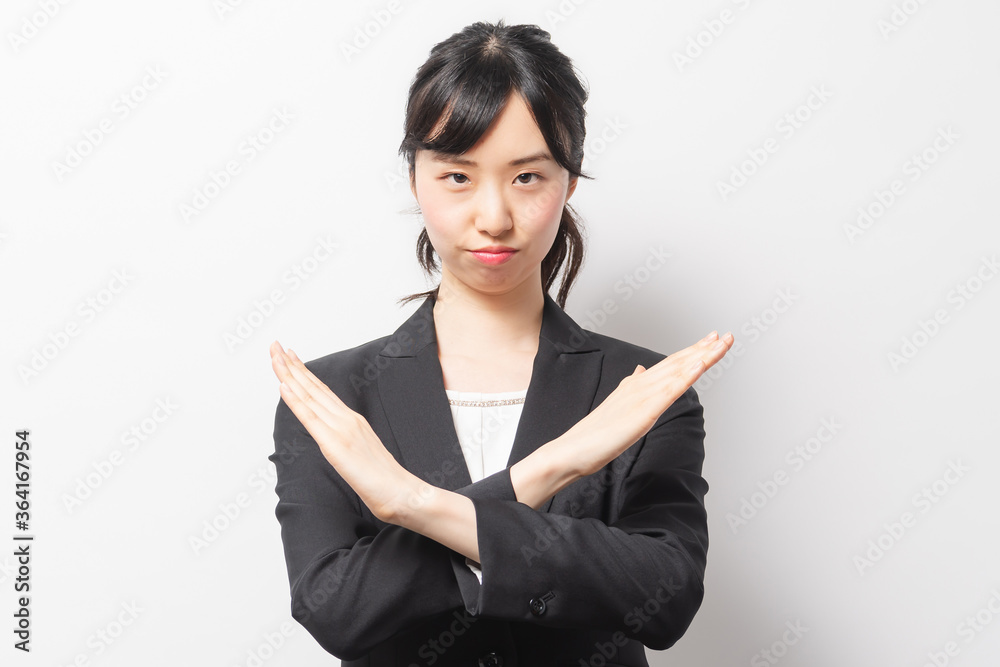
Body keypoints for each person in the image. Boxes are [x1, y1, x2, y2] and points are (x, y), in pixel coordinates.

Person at [267, 19, 734, 666]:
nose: (493, 218)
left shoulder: (643, 390)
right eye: (458, 177)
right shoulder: (333, 399)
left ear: (570, 181)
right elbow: (338, 610)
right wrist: (555, 466)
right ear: (414, 179)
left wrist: (414, 506)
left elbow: (664, 597)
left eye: (527, 177)